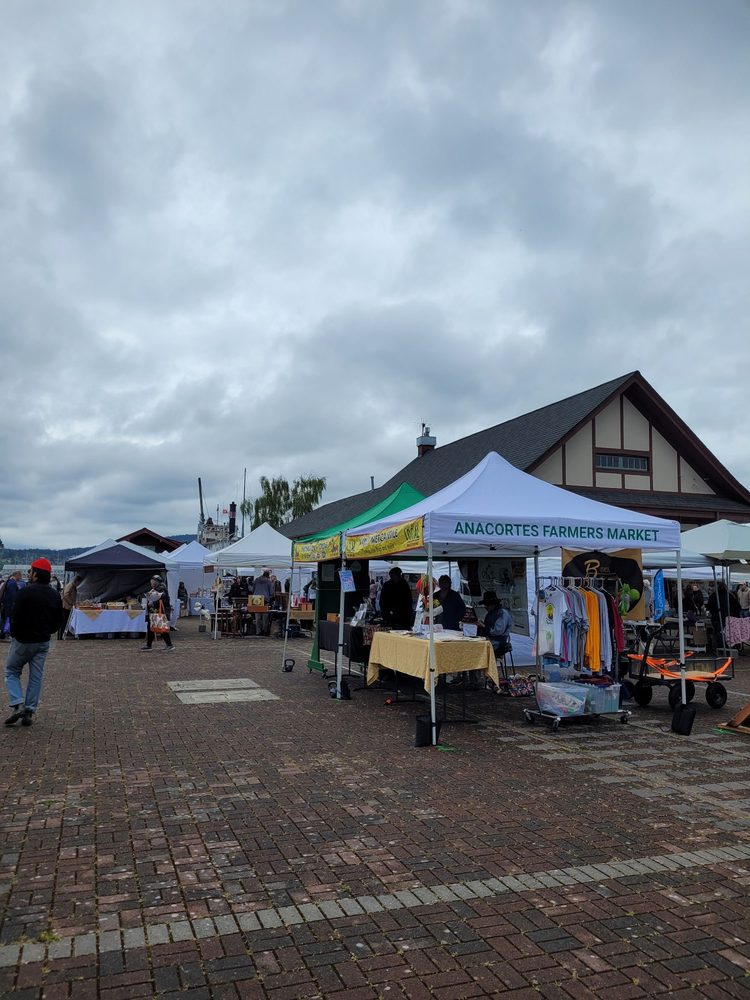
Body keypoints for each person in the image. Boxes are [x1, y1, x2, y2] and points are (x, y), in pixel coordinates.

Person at [4, 558, 63, 727]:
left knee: (11, 670)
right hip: (43, 641)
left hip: (23, 640)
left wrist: (15, 634)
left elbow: (14, 615)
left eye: (30, 571)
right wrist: (48, 632)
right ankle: (29, 710)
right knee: (36, 676)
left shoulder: (25, 592)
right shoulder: (54, 594)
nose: (28, 574)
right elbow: (58, 620)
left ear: (35, 574)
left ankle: (17, 703)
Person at [140, 575, 175, 651]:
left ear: (157, 582)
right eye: (151, 582)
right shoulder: (155, 589)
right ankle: (149, 645)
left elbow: (163, 600)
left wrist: (153, 603)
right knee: (150, 627)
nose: (151, 583)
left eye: (152, 582)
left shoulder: (162, 589)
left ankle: (169, 645)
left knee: (161, 627)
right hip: (153, 611)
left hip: (160, 611)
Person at [477, 591, 513, 657]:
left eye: (487, 605)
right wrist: (481, 625)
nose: (485, 607)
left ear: (492, 604)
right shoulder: (489, 614)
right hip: (489, 640)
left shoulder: (502, 613)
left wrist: (484, 626)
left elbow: (498, 631)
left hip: (498, 642)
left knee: (477, 649)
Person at [59, 574, 83, 639]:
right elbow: (66, 595)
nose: (79, 585)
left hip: (68, 606)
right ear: (77, 581)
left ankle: (65, 634)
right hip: (66, 607)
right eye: (79, 583)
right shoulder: (71, 585)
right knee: (65, 621)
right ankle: (63, 635)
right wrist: (72, 603)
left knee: (67, 621)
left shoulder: (73, 585)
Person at [252, 568, 274, 636]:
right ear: (268, 575)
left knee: (257, 617)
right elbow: (271, 592)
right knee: (265, 617)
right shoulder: (268, 581)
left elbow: (253, 589)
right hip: (265, 599)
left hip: (256, 599)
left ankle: (258, 631)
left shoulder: (256, 580)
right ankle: (265, 631)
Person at [1, 571, 23, 640]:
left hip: (6, 605)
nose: (21, 577)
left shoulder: (8, 581)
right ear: (16, 575)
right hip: (9, 605)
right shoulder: (13, 583)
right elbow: (12, 596)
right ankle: (6, 634)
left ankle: (3, 634)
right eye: (20, 575)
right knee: (8, 620)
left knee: (5, 620)